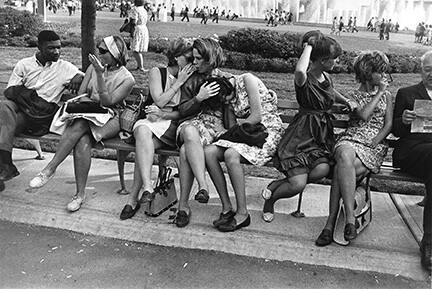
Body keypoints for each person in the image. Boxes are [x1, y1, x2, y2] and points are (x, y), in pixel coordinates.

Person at [28, 36, 135, 212]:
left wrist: (100, 75)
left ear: (115, 54)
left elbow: (108, 102)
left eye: (102, 51)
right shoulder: (93, 68)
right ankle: (79, 195)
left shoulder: (127, 78)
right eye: (98, 50)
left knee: (81, 125)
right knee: (82, 141)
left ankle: (50, 169)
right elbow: (81, 92)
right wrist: (92, 86)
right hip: (89, 113)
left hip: (112, 117)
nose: (98, 54)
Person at [261, 31, 357, 223]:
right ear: (321, 60)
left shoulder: (326, 77)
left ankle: (277, 184)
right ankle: (271, 201)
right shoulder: (303, 79)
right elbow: (299, 71)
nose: (336, 61)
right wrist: (309, 46)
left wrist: (346, 100)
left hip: (319, 136)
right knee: (297, 185)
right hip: (301, 136)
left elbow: (331, 91)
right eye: (333, 58)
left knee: (321, 170)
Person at [315, 50, 393, 246]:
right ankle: (350, 218)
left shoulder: (388, 96)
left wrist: (376, 141)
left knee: (341, 170)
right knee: (344, 153)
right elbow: (365, 115)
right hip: (351, 139)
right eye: (380, 72)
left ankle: (329, 224)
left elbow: (388, 124)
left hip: (372, 146)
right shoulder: (352, 96)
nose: (383, 76)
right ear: (368, 73)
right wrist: (380, 92)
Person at [119, 39, 195, 220]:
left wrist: (164, 113)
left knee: (142, 142)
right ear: (177, 58)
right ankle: (147, 187)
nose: (193, 61)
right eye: (189, 57)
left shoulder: (191, 78)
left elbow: (182, 112)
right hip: (152, 122)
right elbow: (159, 100)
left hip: (171, 124)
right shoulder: (157, 72)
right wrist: (178, 83)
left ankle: (133, 198)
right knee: (143, 136)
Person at [204, 73, 284, 232]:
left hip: (267, 132)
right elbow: (232, 124)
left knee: (231, 154)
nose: (226, 103)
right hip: (248, 134)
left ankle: (243, 213)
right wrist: (228, 117)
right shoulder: (225, 96)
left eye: (226, 99)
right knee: (209, 152)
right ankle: (227, 208)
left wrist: (232, 132)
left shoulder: (248, 80)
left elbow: (256, 116)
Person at [0, 30, 83, 182]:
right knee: (5, 105)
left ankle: (6, 165)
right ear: (39, 47)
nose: (56, 51)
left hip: (41, 116)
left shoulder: (65, 67)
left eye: (58, 47)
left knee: (3, 123)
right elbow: (10, 91)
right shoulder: (24, 64)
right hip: (21, 110)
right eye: (51, 48)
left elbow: (86, 78)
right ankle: (5, 165)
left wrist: (79, 76)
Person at [172, 38, 226, 228]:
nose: (194, 62)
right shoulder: (191, 77)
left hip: (211, 129)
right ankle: (203, 185)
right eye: (193, 58)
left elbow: (241, 99)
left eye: (198, 59)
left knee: (186, 151)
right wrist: (198, 98)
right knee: (188, 130)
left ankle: (183, 206)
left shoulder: (224, 79)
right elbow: (182, 110)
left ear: (210, 59)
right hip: (189, 123)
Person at [391, 51, 432, 272]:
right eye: (428, 70)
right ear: (421, 70)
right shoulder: (407, 93)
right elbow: (396, 131)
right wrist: (403, 120)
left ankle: (429, 241)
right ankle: (429, 244)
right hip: (412, 151)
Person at [129, 0, 149, 72]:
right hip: (143, 28)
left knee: (135, 49)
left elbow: (134, 21)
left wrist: (131, 30)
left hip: (137, 29)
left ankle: (141, 66)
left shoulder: (135, 9)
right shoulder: (144, 10)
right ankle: (139, 65)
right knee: (139, 48)